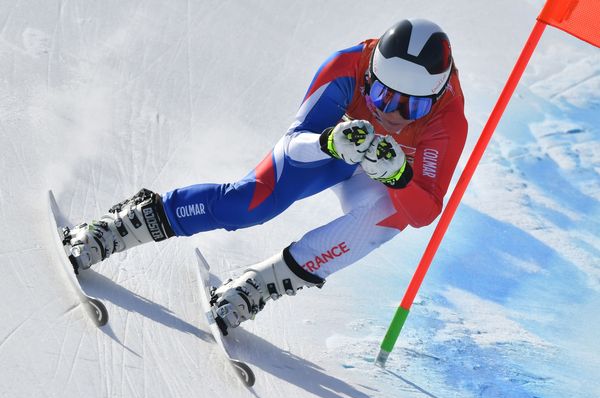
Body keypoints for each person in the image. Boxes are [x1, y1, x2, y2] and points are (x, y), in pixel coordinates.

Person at [64, 18, 468, 332]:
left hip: (380, 175)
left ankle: (258, 285)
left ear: (435, 97)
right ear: (369, 77)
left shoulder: (448, 121)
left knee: (387, 218)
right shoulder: (347, 66)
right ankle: (117, 227)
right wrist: (328, 142)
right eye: (381, 97)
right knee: (250, 203)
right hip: (333, 148)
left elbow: (424, 211)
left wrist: (398, 176)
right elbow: (294, 144)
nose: (391, 114)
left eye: (411, 109)